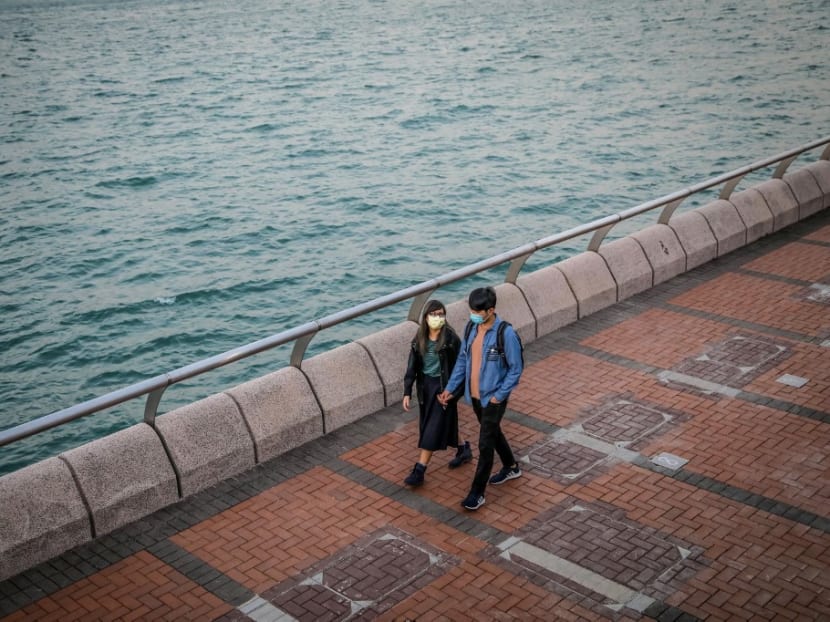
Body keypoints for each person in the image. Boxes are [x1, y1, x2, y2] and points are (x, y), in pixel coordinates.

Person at [438, 286, 523, 511]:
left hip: (493, 399)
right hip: (474, 397)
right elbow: (462, 362)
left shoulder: (506, 334)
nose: (473, 314)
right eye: (471, 310)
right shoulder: (471, 328)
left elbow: (516, 368)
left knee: (485, 444)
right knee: (493, 433)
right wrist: (450, 388)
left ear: (491, 310)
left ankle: (477, 493)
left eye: (477, 311)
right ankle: (511, 466)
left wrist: (499, 396)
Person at [402, 299, 473, 487]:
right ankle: (463, 448)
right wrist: (407, 391)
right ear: (425, 317)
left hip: (444, 388)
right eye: (433, 314)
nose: (437, 318)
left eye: (440, 314)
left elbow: (461, 366)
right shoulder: (419, 339)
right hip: (426, 388)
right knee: (440, 422)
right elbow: (412, 367)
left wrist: (453, 391)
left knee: (432, 428)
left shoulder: (450, 339)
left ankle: (420, 469)